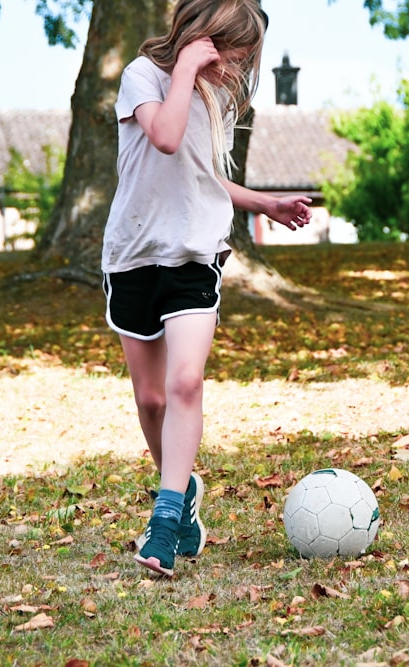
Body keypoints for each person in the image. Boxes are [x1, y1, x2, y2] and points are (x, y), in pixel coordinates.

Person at [101, 0, 312, 577]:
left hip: (195, 252)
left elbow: (199, 172)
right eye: (233, 57)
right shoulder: (143, 77)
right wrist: (187, 71)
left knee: (185, 381)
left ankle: (165, 521)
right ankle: (183, 488)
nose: (234, 73)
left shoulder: (210, 94)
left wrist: (264, 202)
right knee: (152, 401)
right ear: (203, 39)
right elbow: (165, 138)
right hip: (135, 254)